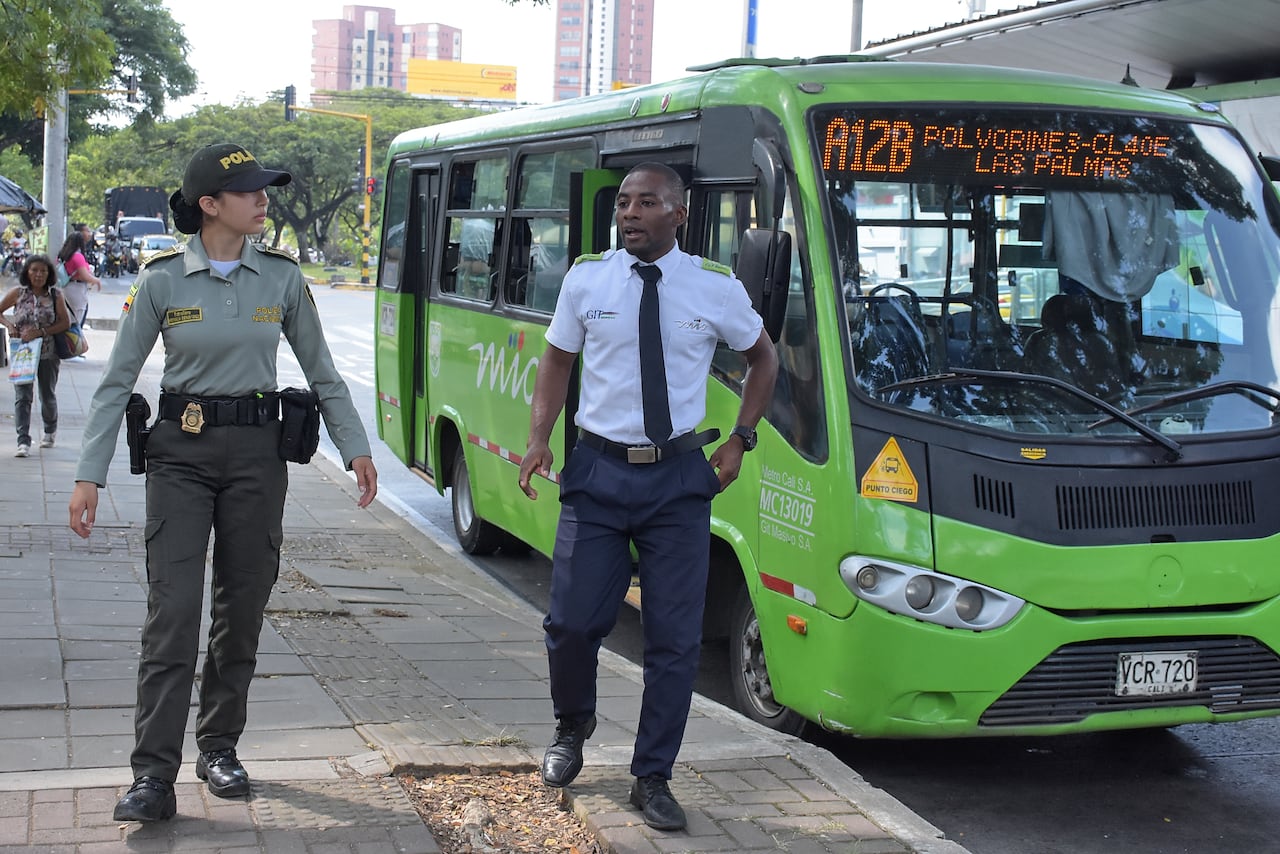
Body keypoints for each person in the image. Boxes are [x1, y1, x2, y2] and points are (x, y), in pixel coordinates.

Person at [67, 143, 379, 823]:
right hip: (180, 454)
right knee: (173, 615)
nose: (263, 200)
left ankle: (218, 746)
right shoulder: (161, 283)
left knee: (240, 611)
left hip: (257, 458)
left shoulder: (282, 280)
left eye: (265, 190)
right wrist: (88, 474)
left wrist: (355, 447)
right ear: (210, 205)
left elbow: (323, 372)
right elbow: (118, 381)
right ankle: (153, 775)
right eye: (249, 191)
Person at [516, 162, 778, 831]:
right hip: (598, 473)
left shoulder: (714, 288)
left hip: (677, 482)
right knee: (572, 622)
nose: (630, 213)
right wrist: (539, 437)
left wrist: (740, 440)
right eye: (624, 203)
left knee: (674, 640)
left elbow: (763, 359)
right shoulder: (586, 277)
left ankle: (652, 775)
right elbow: (557, 360)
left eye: (647, 203)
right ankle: (572, 727)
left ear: (679, 215)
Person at [0, 254, 71, 456]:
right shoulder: (17, 293)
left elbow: (64, 323)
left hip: (48, 353)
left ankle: (50, 430)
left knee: (46, 394)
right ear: (27, 272)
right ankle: (23, 440)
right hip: (23, 353)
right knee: (22, 397)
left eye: (43, 271)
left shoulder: (55, 295)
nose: (38, 274)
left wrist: (41, 332)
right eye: (34, 270)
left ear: (48, 274)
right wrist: (10, 326)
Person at [56, 229, 102, 329]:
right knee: (76, 319)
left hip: (64, 288)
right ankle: (73, 341)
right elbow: (84, 275)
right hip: (77, 290)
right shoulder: (77, 256)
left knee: (66, 317)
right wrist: (96, 280)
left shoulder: (62, 255)